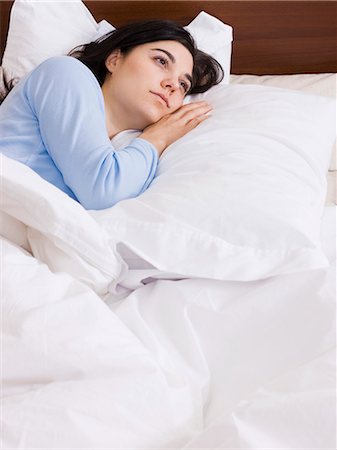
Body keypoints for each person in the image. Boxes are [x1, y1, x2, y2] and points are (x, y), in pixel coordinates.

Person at [0, 19, 223, 210]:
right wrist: (158, 138)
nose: (173, 84)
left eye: (184, 84)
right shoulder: (66, 73)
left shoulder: (123, 151)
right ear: (114, 59)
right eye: (161, 61)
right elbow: (103, 191)